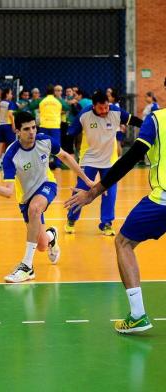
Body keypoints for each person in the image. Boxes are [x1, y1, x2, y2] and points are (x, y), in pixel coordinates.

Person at [64, 79, 166, 334]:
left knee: (123, 243)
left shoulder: (156, 120)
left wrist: (95, 190)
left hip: (163, 200)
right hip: (92, 160)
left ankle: (138, 314)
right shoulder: (86, 117)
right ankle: (73, 219)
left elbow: (131, 158)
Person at [0, 112, 93, 283]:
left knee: (35, 208)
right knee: (41, 246)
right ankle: (51, 236)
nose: (32, 132)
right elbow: (9, 192)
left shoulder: (45, 141)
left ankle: (27, 267)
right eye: (26, 129)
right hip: (25, 197)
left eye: (33, 127)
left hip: (47, 185)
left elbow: (66, 157)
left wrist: (87, 180)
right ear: (17, 130)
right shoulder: (11, 155)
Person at [64, 91, 143, 235]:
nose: (105, 111)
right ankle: (71, 218)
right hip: (89, 159)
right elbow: (70, 133)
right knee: (81, 188)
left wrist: (150, 128)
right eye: (101, 108)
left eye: (106, 107)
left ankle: (106, 223)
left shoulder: (116, 112)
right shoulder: (84, 115)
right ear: (93, 106)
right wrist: (68, 151)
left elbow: (135, 121)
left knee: (110, 192)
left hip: (110, 160)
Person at [0, 88, 17, 170]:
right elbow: (11, 115)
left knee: (1, 144)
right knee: (10, 145)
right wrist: (13, 125)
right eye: (11, 93)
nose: (12, 95)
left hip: (0, 125)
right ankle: (9, 162)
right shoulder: (10, 103)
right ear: (7, 94)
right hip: (8, 125)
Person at [106, 87, 126, 157]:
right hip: (111, 126)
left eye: (109, 96)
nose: (107, 96)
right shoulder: (111, 105)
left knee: (117, 142)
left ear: (113, 97)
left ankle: (119, 158)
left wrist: (122, 125)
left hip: (115, 127)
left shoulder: (115, 106)